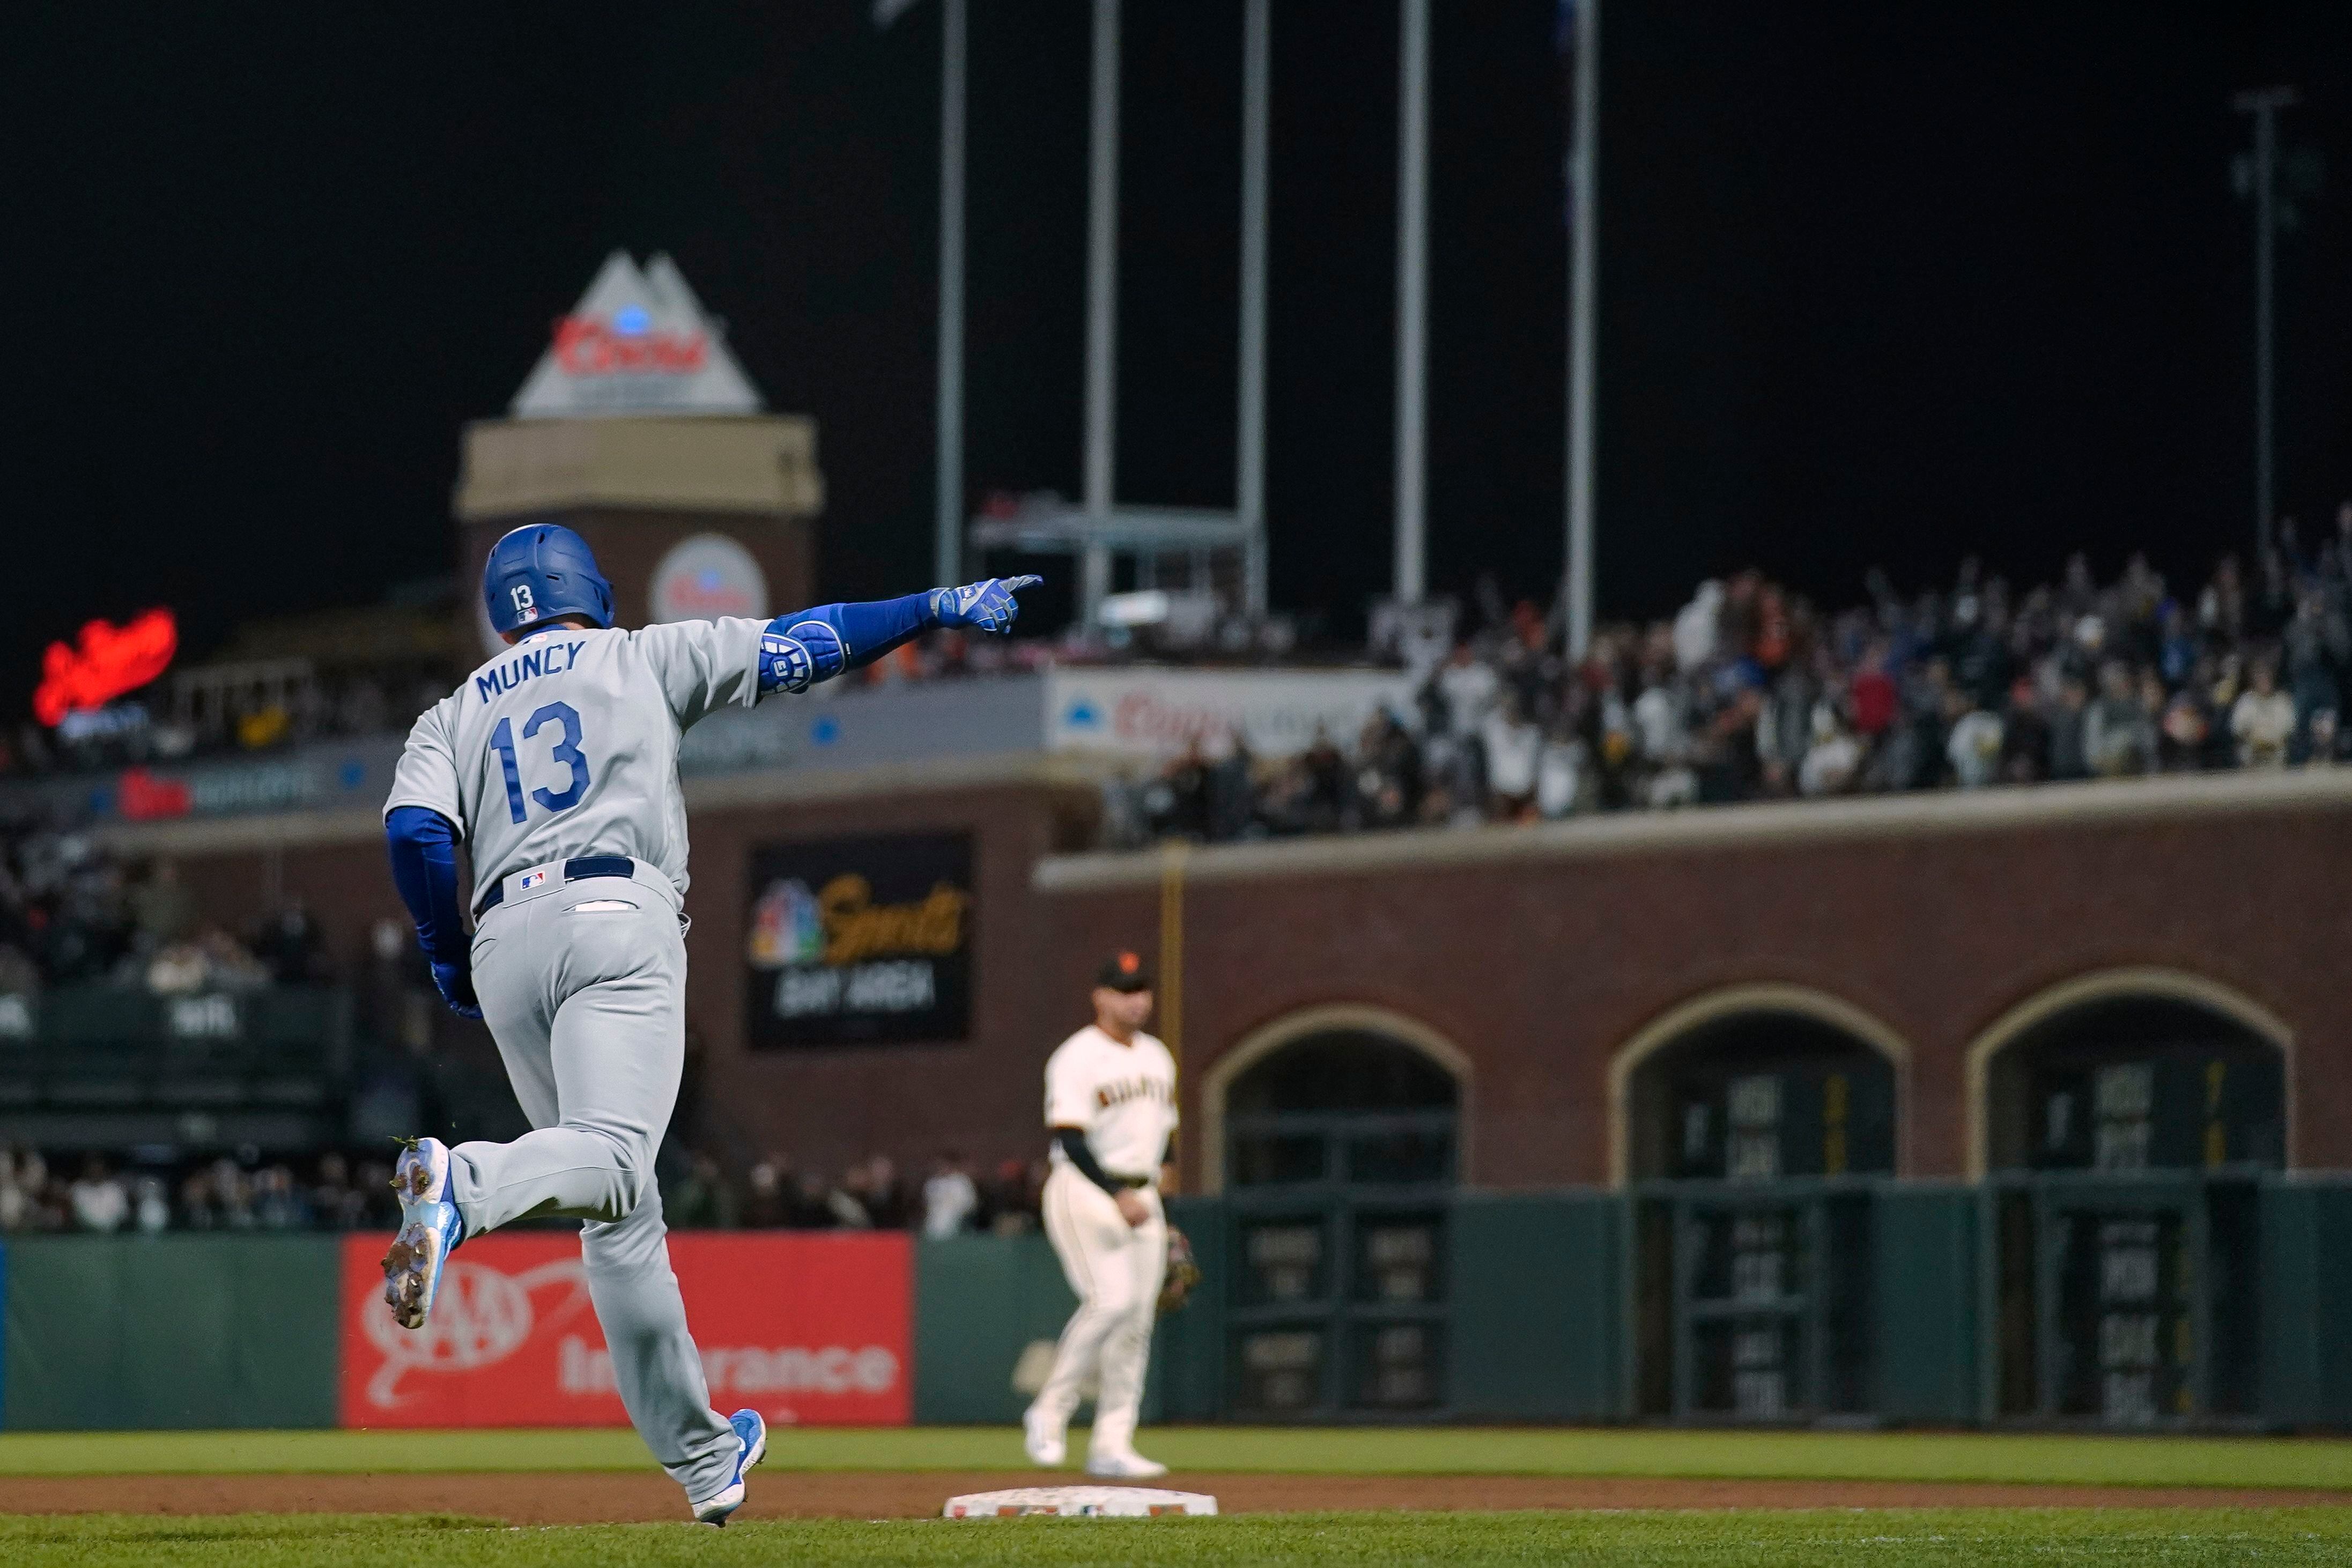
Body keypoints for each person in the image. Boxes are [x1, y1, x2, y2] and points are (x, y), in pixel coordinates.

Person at [379, 522, 1038, 1525]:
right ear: (585, 589)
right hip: (615, 912)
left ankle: (701, 1455)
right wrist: (932, 608)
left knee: (620, 1209)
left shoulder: (450, 711)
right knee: (610, 1154)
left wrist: (441, 944)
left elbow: (416, 832)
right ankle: (462, 1181)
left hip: (505, 937)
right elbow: (805, 642)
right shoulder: (640, 654)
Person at [1023, 951, 1179, 1481]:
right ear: (1101, 996)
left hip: (1144, 1193)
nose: (1136, 998)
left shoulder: (1158, 1055)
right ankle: (1050, 1409)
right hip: (1085, 1187)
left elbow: (1165, 1129)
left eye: (1141, 988)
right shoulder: (1077, 1056)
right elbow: (1069, 1135)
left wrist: (1167, 1191)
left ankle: (1113, 1442)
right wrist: (1117, 1191)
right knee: (1110, 1301)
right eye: (1124, 988)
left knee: (1136, 1323)